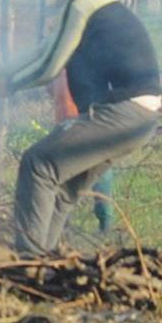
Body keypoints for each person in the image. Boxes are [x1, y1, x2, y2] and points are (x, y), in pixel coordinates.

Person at [0, 0, 162, 256]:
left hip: (123, 112)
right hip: (142, 118)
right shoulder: (101, 9)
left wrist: (11, 85)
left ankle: (29, 260)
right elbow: (42, 48)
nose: (56, 1)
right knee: (64, 189)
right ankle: (46, 263)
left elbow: (50, 66)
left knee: (38, 163)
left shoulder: (82, 4)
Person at [47, 71, 115, 233]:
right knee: (64, 182)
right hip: (66, 130)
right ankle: (64, 227)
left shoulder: (83, 66)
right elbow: (51, 91)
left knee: (100, 178)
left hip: (89, 130)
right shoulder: (59, 70)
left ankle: (105, 228)